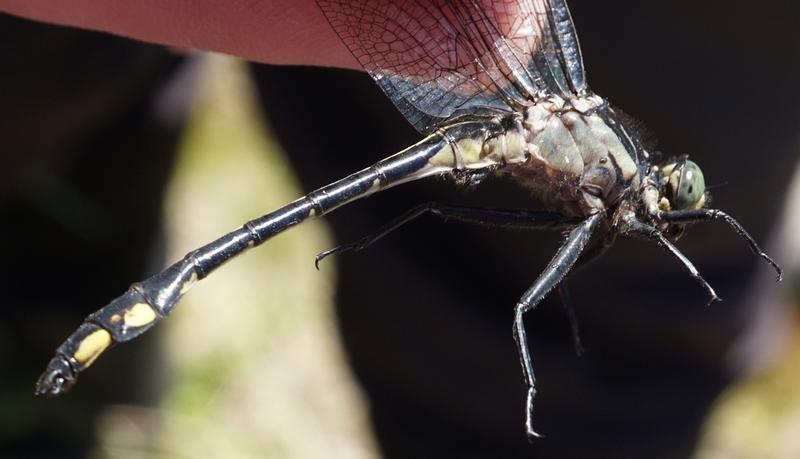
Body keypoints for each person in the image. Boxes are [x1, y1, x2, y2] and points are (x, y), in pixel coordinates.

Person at [2, 1, 799, 458]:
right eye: (672, 194)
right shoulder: (604, 162)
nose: (670, 207)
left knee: (597, 349)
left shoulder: (615, 183)